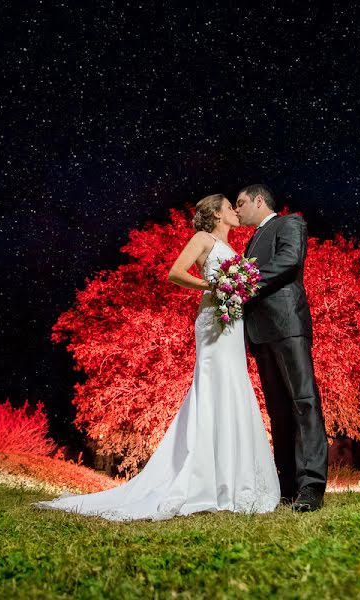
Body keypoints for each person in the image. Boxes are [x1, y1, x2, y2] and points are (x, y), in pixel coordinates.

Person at [33, 194, 280, 521]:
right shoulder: (202, 239)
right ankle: (204, 479)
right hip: (212, 322)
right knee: (213, 386)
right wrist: (211, 284)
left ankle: (234, 480)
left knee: (234, 386)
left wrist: (239, 290)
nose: (236, 211)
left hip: (233, 323)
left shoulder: (236, 249)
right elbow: (175, 272)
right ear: (217, 214)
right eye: (229, 206)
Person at [235, 184, 328, 512]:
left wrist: (243, 285)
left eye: (241, 203)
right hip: (261, 334)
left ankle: (312, 487)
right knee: (278, 412)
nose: (237, 210)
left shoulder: (290, 223)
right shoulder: (251, 238)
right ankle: (286, 487)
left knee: (304, 402)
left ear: (260, 200)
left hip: (288, 325)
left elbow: (289, 261)